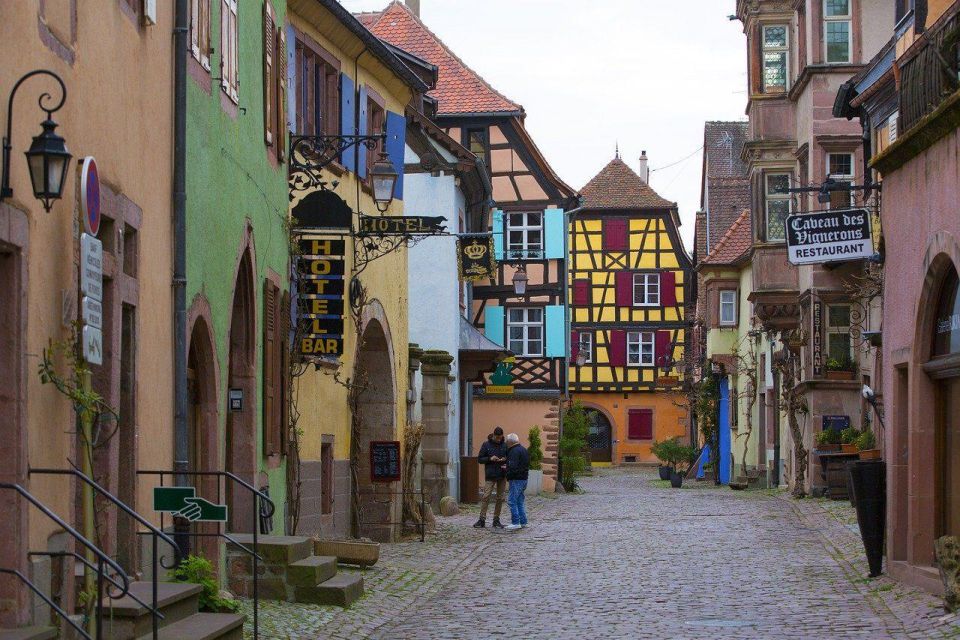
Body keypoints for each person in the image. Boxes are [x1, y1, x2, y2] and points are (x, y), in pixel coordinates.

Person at [474, 427, 507, 528]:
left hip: (502, 474)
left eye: (500, 438)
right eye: (497, 438)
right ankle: (482, 519)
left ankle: (496, 519)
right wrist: (490, 458)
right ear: (493, 435)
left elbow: (508, 457)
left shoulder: (504, 445)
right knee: (486, 496)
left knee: (500, 498)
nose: (498, 440)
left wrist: (505, 459)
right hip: (490, 474)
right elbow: (480, 459)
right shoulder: (486, 445)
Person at [503, 432, 529, 531]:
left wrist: (507, 472)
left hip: (516, 479)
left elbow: (513, 467)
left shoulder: (513, 451)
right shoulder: (523, 450)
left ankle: (515, 522)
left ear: (510, 442)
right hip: (524, 478)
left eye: (506, 441)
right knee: (520, 501)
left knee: (512, 500)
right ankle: (523, 521)